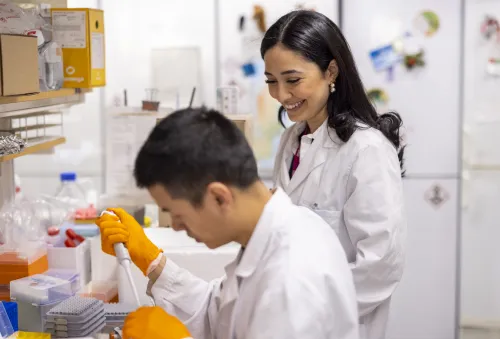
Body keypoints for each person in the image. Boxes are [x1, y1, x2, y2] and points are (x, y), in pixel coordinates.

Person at [97, 107, 359, 339]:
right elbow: (218, 312)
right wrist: (152, 261)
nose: (176, 226)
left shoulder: (291, 282)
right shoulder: (273, 234)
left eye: (176, 214)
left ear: (219, 197)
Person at [261, 10, 406, 339]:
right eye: (271, 81)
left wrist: (305, 306)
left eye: (293, 80)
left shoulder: (365, 150)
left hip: (337, 324)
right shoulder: (292, 139)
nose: (281, 95)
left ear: (331, 71)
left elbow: (380, 266)